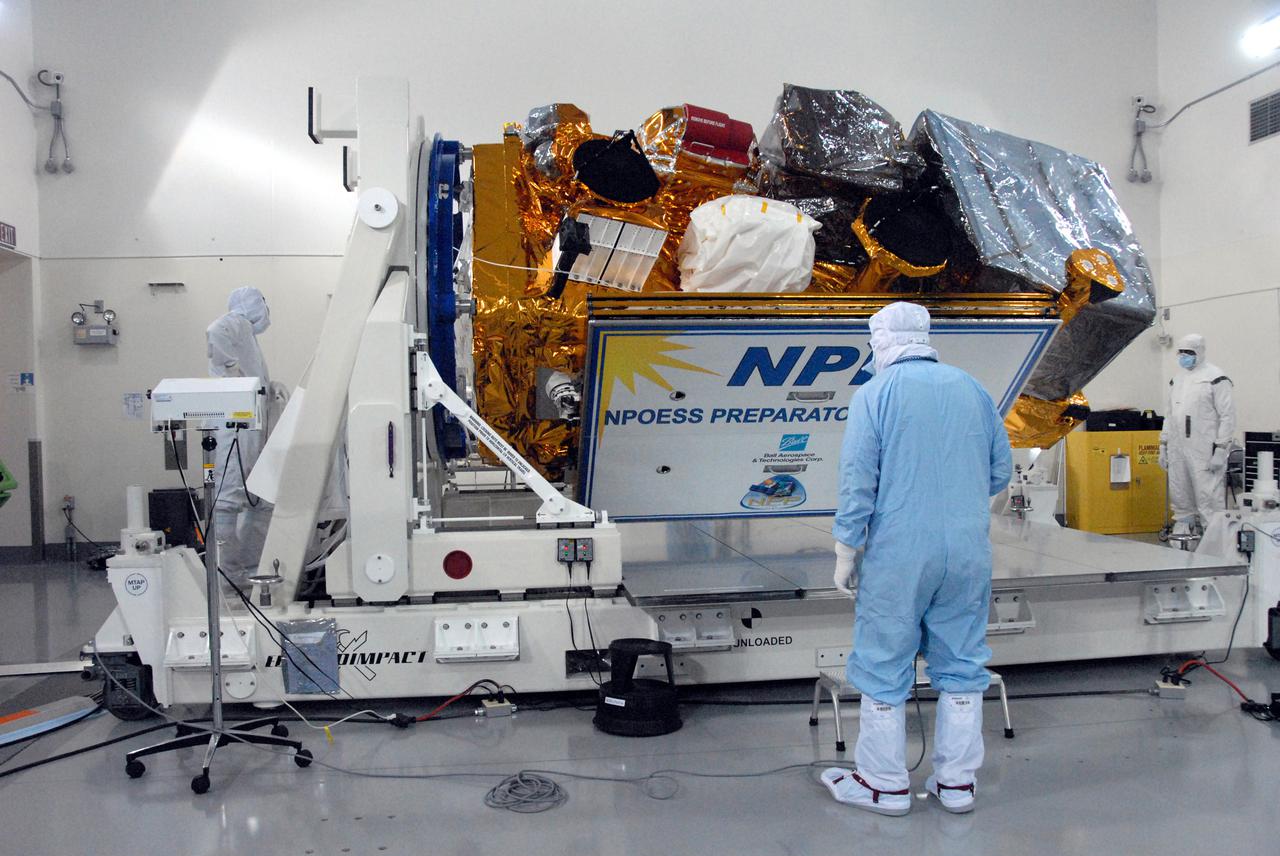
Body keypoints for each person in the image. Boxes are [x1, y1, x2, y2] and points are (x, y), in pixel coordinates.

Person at [822, 302, 1012, 816]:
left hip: (900, 553)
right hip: (969, 552)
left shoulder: (875, 394)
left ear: (881, 340)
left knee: (884, 661)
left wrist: (846, 547)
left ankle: (884, 783)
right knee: (962, 663)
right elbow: (1000, 471)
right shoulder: (971, 388)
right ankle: (956, 785)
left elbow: (859, 480)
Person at [206, 287, 286, 590]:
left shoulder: (248, 335)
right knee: (229, 497)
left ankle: (252, 568)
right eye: (263, 303)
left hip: (253, 421)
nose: (266, 310)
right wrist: (234, 380)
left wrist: (269, 386)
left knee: (259, 497)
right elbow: (213, 335)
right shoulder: (233, 323)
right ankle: (226, 573)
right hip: (237, 422)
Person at [1159, 334, 1235, 540]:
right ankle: (1184, 536)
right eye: (1181, 352)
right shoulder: (1178, 379)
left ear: (1200, 352)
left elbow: (1227, 416)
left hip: (1204, 449)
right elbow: (1170, 414)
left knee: (1207, 496)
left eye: (1189, 353)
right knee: (1180, 492)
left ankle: (1214, 542)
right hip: (1178, 448)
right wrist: (1164, 445)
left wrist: (1221, 449)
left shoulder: (1216, 378)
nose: (1184, 356)